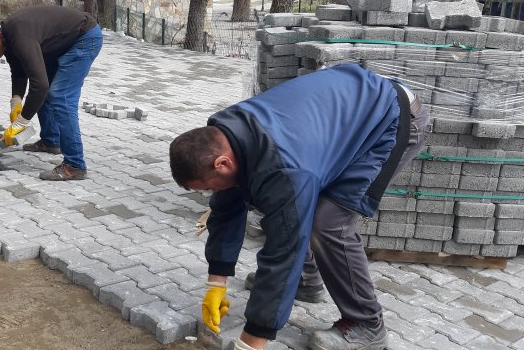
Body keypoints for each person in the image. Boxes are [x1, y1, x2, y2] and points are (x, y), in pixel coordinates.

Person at [168, 63, 428, 350]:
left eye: (207, 186)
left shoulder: (284, 168)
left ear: (222, 163)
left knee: (328, 223)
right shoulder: (226, 136)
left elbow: (284, 252)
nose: (210, 193)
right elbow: (227, 207)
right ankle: (306, 281)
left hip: (389, 120)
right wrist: (216, 281)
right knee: (288, 203)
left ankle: (368, 324)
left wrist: (252, 341)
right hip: (344, 114)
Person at [0, 5, 102, 181]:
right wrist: (16, 101)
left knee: (61, 97)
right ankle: (51, 141)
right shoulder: (7, 37)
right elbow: (19, 72)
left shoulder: (19, 36)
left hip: (83, 39)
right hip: (58, 44)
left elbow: (40, 86)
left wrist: (20, 123)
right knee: (42, 92)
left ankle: (75, 165)